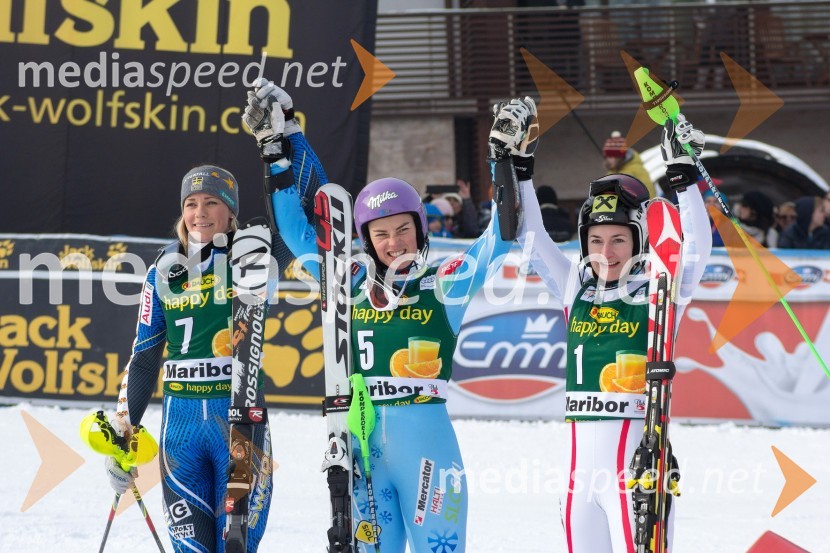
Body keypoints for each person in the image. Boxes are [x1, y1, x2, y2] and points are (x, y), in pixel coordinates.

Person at [243, 80, 523, 553]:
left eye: (403, 230)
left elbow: (503, 235)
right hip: (360, 447)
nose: (394, 243)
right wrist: (279, 146)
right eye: (380, 234)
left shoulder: (445, 282)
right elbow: (295, 229)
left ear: (421, 229)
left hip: (428, 450)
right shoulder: (346, 281)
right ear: (366, 240)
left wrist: (505, 159)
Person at [509, 101, 711, 552]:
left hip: (639, 471)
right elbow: (532, 239)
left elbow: (696, 249)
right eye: (596, 240)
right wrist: (520, 171)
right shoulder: (572, 290)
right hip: (579, 481)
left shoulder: (660, 291)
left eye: (619, 239)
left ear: (638, 241)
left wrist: (684, 178)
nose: (607, 251)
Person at [104, 160, 310, 550]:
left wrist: (280, 157)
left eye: (212, 202)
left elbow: (298, 236)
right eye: (191, 203)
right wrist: (122, 434)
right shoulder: (162, 269)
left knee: (237, 546)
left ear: (231, 211)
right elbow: (145, 357)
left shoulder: (254, 254)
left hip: (240, 425)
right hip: (179, 431)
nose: (200, 213)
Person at [602, 131, 656, 198]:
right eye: (607, 157)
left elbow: (649, 191)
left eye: (611, 156)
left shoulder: (636, 169)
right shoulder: (610, 173)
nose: (608, 159)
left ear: (619, 157)